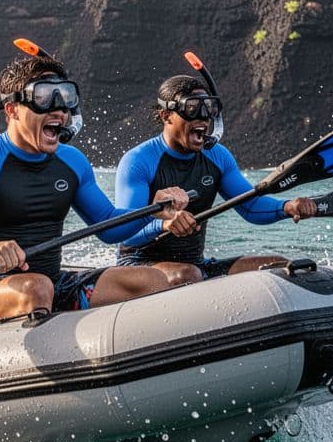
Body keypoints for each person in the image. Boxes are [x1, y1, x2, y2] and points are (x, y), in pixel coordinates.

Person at [0, 52, 192, 320]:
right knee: (36, 288)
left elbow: (111, 228)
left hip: (52, 283)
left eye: (65, 101)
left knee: (152, 280)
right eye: (42, 99)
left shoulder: (73, 162)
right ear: (11, 110)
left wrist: (152, 209)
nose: (59, 111)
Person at [115, 74, 316, 286]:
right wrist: (164, 225)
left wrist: (288, 207)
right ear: (166, 115)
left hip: (196, 266)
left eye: (209, 109)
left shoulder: (218, 156)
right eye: (192, 109)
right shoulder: (138, 161)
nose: (203, 118)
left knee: (280, 266)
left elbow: (250, 206)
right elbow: (127, 235)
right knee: (189, 275)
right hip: (137, 265)